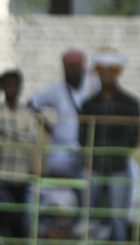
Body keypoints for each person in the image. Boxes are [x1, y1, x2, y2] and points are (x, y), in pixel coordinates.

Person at [77, 49, 140, 245]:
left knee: (118, 219)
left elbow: (135, 136)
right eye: (102, 70)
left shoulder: (130, 103)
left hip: (118, 167)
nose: (106, 74)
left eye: (110, 71)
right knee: (85, 215)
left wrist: (119, 152)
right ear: (97, 73)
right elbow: (82, 136)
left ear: (116, 73)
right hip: (93, 167)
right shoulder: (88, 104)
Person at [28, 49, 98, 178]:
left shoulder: (93, 88)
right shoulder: (56, 90)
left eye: (76, 67)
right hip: (61, 151)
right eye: (70, 67)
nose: (73, 71)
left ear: (82, 68)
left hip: (87, 150)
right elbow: (32, 103)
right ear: (65, 69)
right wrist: (48, 127)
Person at [0, 69, 45, 206]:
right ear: (2, 87)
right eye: (8, 84)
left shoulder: (28, 112)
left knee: (19, 213)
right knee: (0, 212)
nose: (12, 88)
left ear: (20, 87)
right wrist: (21, 137)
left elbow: (33, 141)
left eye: (15, 85)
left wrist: (8, 133)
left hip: (21, 176)